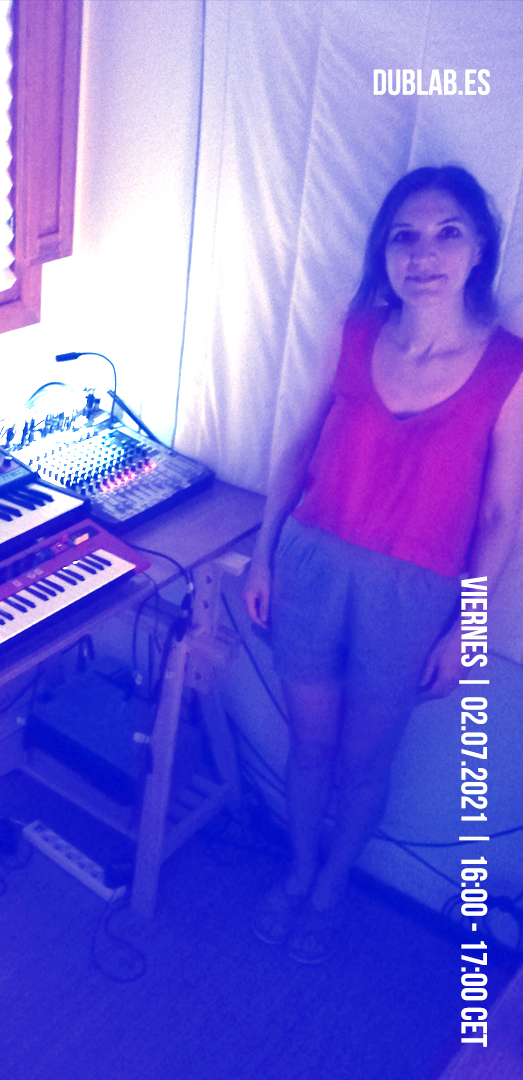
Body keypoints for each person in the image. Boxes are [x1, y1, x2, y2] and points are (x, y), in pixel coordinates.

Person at [242, 166, 523, 963]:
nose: (423, 254)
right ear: (384, 252)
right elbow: (298, 446)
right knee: (309, 746)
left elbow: (501, 516)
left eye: (447, 233)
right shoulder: (357, 330)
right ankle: (299, 871)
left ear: (479, 248)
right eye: (404, 236)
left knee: (365, 762)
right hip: (311, 564)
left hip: (413, 596)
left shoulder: (508, 367)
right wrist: (262, 555)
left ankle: (331, 887)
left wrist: (469, 630)